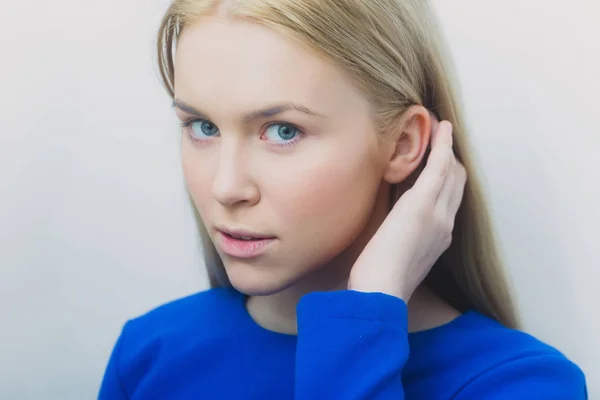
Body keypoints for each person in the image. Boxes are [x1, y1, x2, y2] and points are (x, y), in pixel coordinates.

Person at [99, 0, 587, 398]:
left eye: (283, 131)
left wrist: (367, 306)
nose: (226, 187)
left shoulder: (520, 384)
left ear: (402, 144)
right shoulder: (149, 354)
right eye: (202, 127)